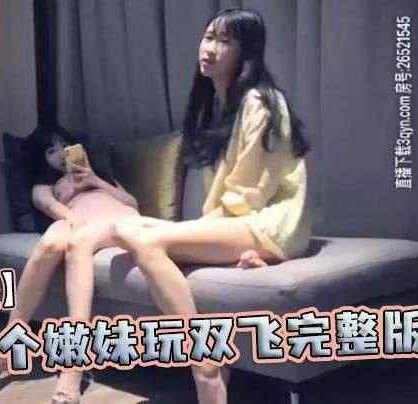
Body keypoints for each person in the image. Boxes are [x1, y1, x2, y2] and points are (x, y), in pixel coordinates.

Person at [111, 8, 312, 404]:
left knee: (146, 241)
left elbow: (247, 196)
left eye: (225, 41)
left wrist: (193, 232)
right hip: (242, 221)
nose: (210, 49)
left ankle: (205, 367)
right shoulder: (222, 105)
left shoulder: (261, 101)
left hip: (268, 223)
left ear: (246, 52)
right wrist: (199, 233)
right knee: (123, 229)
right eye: (208, 37)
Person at [0, 129, 140, 404]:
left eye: (64, 145)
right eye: (51, 151)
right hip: (76, 219)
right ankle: (13, 331)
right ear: (41, 159)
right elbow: (52, 208)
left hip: (116, 219)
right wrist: (75, 216)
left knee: (76, 243)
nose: (61, 154)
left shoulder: (101, 176)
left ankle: (74, 364)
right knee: (50, 244)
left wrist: (95, 180)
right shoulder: (44, 185)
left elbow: (132, 203)